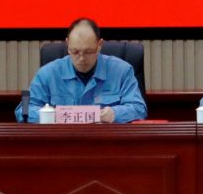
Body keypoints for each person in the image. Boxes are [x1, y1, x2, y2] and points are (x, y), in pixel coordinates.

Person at [17, 18, 147, 123]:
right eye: (75, 52)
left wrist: (115, 114)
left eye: (88, 52)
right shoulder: (48, 73)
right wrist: (53, 116)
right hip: (61, 143)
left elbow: (139, 108)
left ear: (99, 45)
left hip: (107, 143)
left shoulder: (122, 71)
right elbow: (23, 111)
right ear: (67, 44)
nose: (81, 58)